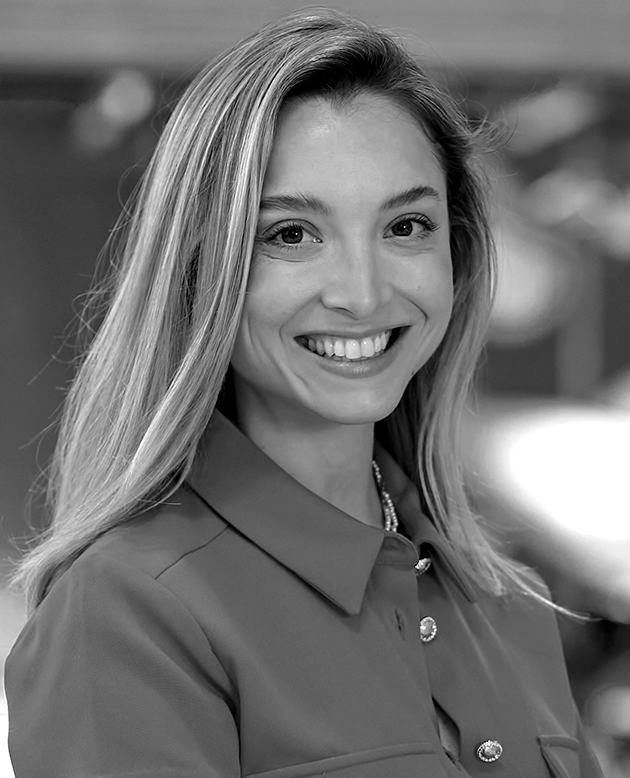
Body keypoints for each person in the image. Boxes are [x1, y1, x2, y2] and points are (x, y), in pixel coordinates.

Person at [4, 9, 603, 778]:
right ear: (200, 269)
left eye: (406, 226)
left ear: (456, 254)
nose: (363, 293)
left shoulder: (509, 610)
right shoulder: (128, 614)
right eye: (291, 234)